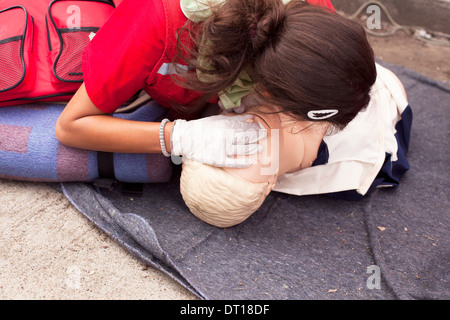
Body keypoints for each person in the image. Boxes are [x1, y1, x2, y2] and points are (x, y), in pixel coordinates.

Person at [54, 0, 338, 169]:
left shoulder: (312, 17)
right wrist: (181, 137)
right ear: (264, 89)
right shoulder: (155, 21)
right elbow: (70, 127)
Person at [180, 63, 411, 228]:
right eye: (248, 157)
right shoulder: (344, 165)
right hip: (379, 100)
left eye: (226, 141)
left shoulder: (239, 105)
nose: (247, 136)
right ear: (270, 183)